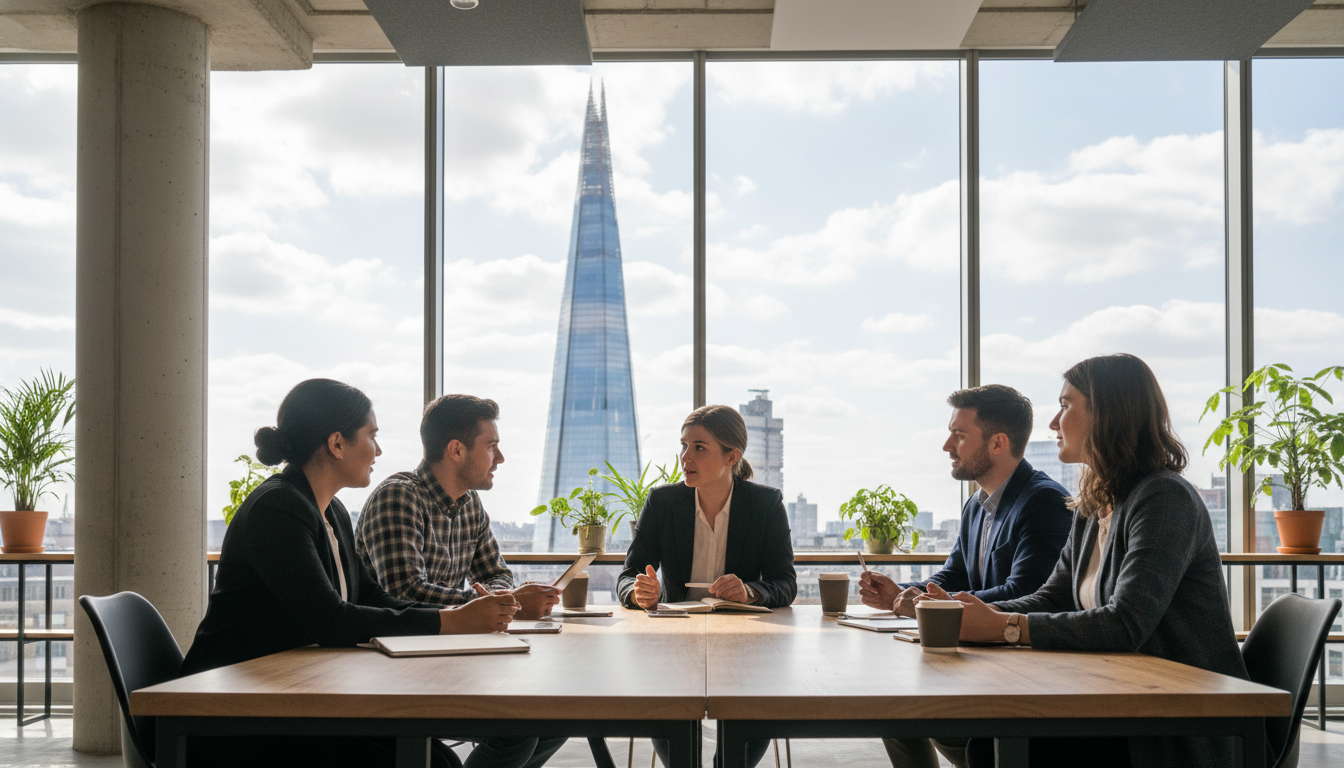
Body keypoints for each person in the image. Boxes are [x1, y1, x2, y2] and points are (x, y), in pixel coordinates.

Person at [180, 379, 538, 768]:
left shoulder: (330, 512)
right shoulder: (278, 509)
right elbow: (330, 620)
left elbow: (372, 597)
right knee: (434, 762)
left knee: (434, 757)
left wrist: (453, 619)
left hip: (290, 692)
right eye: (372, 435)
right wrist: (449, 622)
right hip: (231, 714)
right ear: (337, 444)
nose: (379, 450)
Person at [949, 354, 1248, 768]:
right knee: (989, 740)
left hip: (1180, 721)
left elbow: (1126, 622)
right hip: (1124, 698)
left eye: (1066, 405)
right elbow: (1054, 595)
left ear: (1107, 414)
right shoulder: (1095, 502)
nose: (1053, 423)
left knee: (997, 742)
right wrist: (971, 614)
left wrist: (1005, 627)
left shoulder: (1164, 498)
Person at [858, 384, 1072, 768]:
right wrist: (900, 592)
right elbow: (954, 575)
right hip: (980, 660)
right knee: (889, 704)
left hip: (1020, 675)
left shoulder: (1043, 501)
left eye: (959, 435)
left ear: (997, 443)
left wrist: (933, 607)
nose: (946, 446)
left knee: (901, 708)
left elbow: (1027, 591)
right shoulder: (977, 503)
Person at [617, 405, 797, 768]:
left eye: (699, 447)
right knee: (666, 694)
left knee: (757, 698)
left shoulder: (765, 503)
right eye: (684, 446)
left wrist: (749, 591)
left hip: (744, 639)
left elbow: (785, 582)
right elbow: (628, 576)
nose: (686, 457)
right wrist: (639, 594)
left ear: (732, 456)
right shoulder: (663, 502)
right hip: (675, 637)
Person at [356, 394, 561, 621]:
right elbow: (405, 592)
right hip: (389, 647)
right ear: (457, 450)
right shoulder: (397, 497)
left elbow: (496, 573)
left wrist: (501, 600)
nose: (500, 458)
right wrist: (507, 601)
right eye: (491, 447)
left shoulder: (470, 503)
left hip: (445, 639)